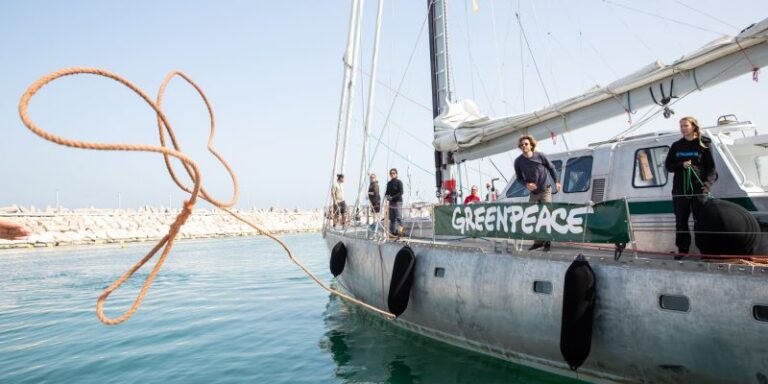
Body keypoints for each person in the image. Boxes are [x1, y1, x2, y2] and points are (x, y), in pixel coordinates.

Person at [664, 116, 716, 256]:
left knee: (701, 221)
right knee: (681, 221)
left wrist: (707, 185)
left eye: (685, 125)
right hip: (680, 190)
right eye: (681, 126)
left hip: (699, 189)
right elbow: (668, 166)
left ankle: (705, 251)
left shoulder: (703, 144)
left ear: (693, 127)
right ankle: (682, 250)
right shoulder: (676, 146)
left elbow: (711, 168)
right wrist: (681, 165)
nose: (682, 128)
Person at [514, 135, 561, 251]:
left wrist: (557, 182)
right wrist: (526, 185)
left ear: (531, 145)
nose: (524, 146)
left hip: (545, 189)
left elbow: (551, 168)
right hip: (533, 193)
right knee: (532, 216)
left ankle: (547, 241)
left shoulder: (540, 156)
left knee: (546, 214)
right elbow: (519, 178)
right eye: (521, 145)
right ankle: (538, 242)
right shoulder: (518, 161)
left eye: (526, 144)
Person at [384, 168, 404, 235]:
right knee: (392, 218)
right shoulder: (389, 183)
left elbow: (401, 192)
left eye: (393, 173)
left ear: (396, 174)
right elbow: (386, 193)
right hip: (391, 202)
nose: (392, 174)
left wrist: (393, 197)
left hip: (398, 202)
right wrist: (387, 197)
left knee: (398, 218)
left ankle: (401, 232)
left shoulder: (399, 182)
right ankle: (393, 232)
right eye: (391, 173)